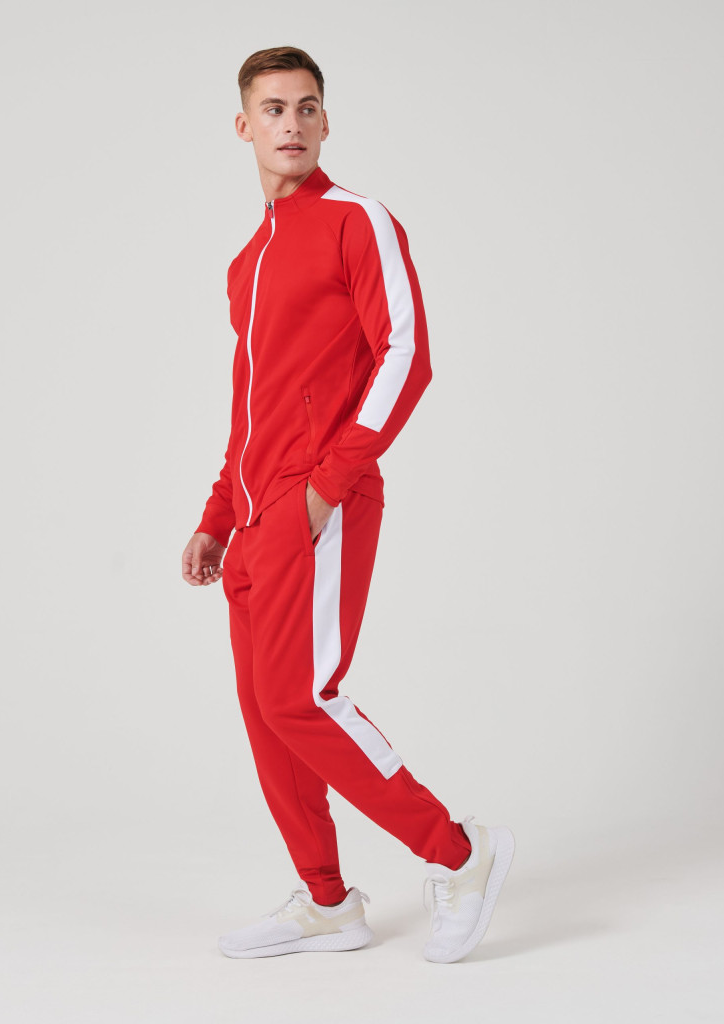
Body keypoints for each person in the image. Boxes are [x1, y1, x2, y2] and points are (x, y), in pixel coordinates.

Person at [181, 45, 513, 964]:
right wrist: (217, 515)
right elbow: (253, 407)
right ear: (243, 126)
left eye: (306, 107)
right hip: (254, 519)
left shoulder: (355, 220)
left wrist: (327, 487)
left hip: (318, 501)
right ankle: (328, 902)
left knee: (300, 699)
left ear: (326, 122)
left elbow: (407, 352)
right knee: (267, 717)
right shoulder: (247, 262)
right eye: (273, 108)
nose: (290, 123)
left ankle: (462, 854)